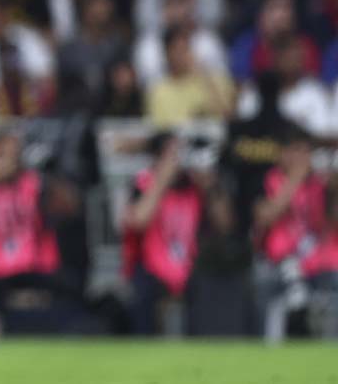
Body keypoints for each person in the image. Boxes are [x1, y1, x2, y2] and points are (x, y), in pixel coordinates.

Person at [0, 132, 79, 341]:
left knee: (66, 286)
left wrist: (49, 176)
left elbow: (71, 207)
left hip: (29, 264)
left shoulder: (33, 182)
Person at [123, 133, 232, 335]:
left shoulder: (195, 185)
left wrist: (211, 188)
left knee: (214, 286)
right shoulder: (143, 182)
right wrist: (162, 180)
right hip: (149, 267)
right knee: (143, 293)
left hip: (189, 266)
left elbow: (225, 226)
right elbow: (138, 220)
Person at [253, 127, 338, 342]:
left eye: (306, 152)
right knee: (291, 287)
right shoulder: (268, 180)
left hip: (319, 261)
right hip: (280, 261)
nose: (303, 158)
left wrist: (334, 187)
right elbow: (266, 216)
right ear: (283, 153)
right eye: (297, 151)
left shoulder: (319, 183)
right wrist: (296, 177)